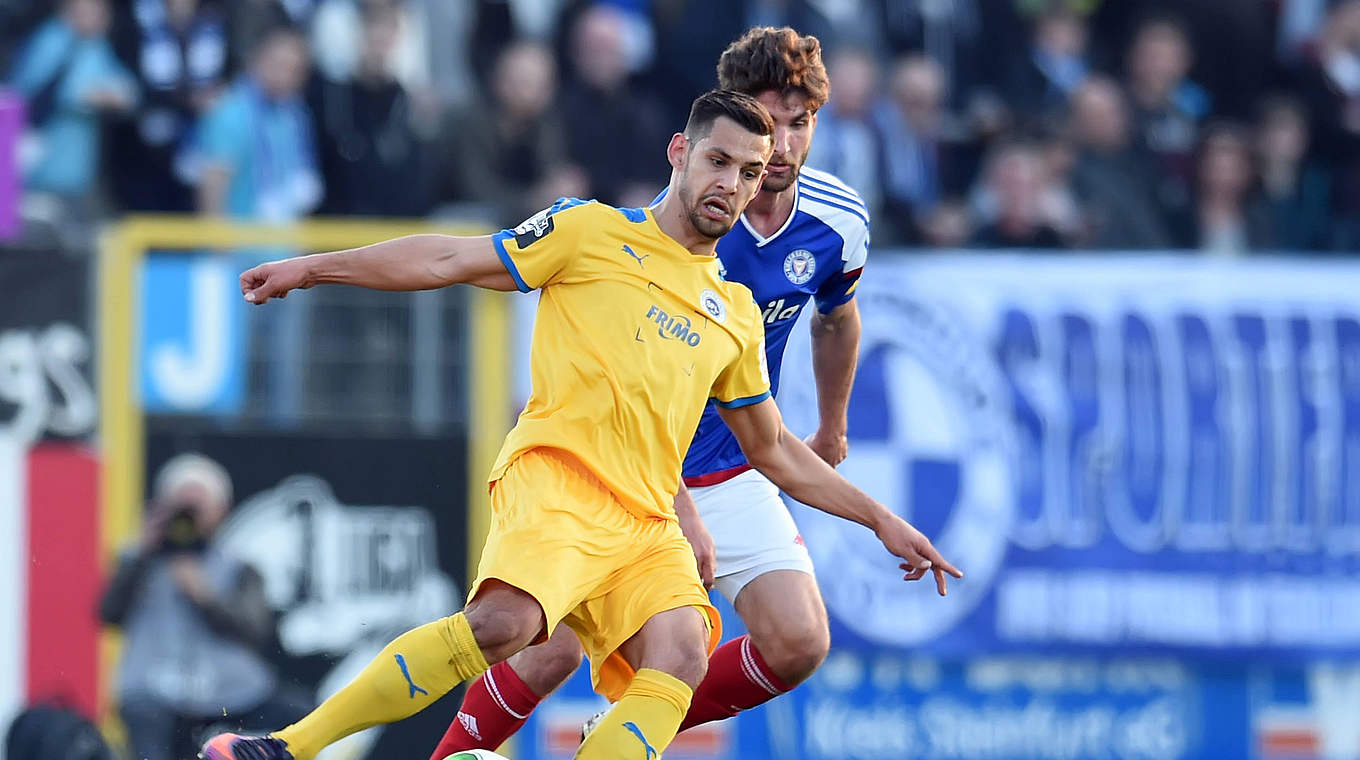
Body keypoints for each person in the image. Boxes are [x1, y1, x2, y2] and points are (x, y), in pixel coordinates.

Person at [201, 89, 959, 760]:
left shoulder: (732, 315)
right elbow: (446, 260)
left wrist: (882, 521)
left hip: (645, 518)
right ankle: (287, 748)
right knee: (506, 627)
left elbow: (775, 451)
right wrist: (314, 267)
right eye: (718, 161)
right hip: (559, 481)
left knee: (682, 650)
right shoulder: (589, 232)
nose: (729, 184)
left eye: (748, 173)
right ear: (679, 152)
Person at [428, 25, 896, 758]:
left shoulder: (840, 221)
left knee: (800, 639)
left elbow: (837, 319)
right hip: (640, 464)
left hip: (741, 461)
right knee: (550, 650)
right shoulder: (683, 221)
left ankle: (619, 735)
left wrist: (832, 427)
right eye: (766, 124)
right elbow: (628, 377)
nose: (782, 144)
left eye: (799, 123)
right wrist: (676, 504)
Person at [99, 454, 309, 760]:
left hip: (233, 693)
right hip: (155, 694)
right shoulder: (139, 561)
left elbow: (255, 628)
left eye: (198, 506)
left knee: (297, 714)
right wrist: (143, 552)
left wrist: (205, 597)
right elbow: (108, 613)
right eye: (181, 505)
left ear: (222, 511)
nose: (189, 516)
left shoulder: (240, 566)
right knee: (144, 725)